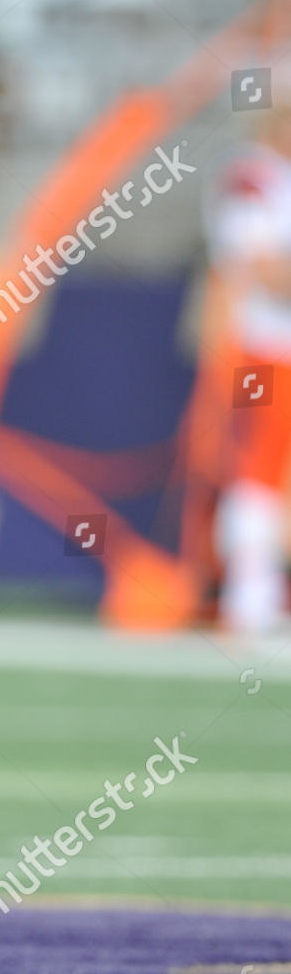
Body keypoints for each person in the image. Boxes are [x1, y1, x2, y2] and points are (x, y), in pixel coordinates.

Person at [208, 95, 291, 634]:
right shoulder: (252, 175)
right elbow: (263, 270)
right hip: (265, 347)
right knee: (256, 475)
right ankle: (249, 597)